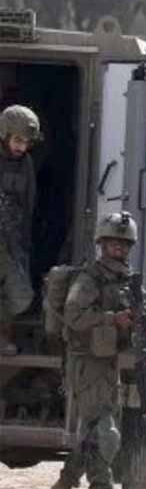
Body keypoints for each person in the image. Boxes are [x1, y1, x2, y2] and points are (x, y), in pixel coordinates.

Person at [43, 211, 146, 489]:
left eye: (124, 245)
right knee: (105, 432)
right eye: (114, 244)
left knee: (93, 430)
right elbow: (73, 316)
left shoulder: (126, 280)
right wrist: (112, 319)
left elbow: (144, 307)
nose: (119, 249)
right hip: (86, 362)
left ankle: (62, 488)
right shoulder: (90, 278)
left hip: (106, 362)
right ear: (101, 244)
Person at [0, 105, 40, 355]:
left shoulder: (25, 164)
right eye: (17, 140)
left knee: (15, 293)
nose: (21, 147)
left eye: (26, 142)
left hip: (12, 236)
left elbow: (28, 203)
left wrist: (23, 239)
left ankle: (5, 337)